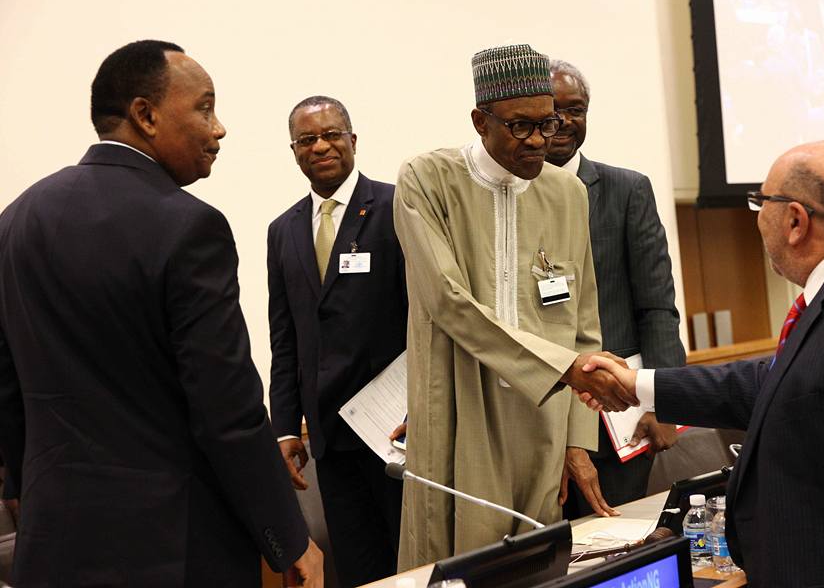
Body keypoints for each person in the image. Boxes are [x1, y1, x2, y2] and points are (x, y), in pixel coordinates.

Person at [0, 40, 323, 587]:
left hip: (52, 543)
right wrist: (287, 537)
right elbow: (227, 409)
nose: (218, 128)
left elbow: (8, 386)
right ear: (145, 115)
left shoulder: (16, 220)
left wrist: (21, 496)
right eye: (204, 107)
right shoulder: (188, 226)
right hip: (171, 548)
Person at [582, 140, 824, 585]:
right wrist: (637, 385)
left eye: (760, 201)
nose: (757, 214)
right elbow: (773, 382)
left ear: (796, 220)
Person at [392, 44, 636, 569]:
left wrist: (576, 439)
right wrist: (565, 369)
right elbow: (448, 301)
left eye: (547, 125)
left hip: (543, 416)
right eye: (519, 127)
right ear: (481, 121)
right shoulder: (426, 179)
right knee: (457, 565)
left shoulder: (566, 192)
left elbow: (583, 323)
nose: (538, 143)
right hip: (461, 406)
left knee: (538, 566)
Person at [269, 95, 406, 586]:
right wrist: (285, 428)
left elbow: (425, 321)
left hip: (396, 431)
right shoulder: (282, 230)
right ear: (294, 150)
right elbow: (285, 338)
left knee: (409, 565)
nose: (321, 146)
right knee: (356, 570)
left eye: (331, 134)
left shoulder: (397, 206)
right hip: (329, 437)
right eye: (307, 139)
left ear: (353, 140)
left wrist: (421, 407)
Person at [545, 59, 685, 519]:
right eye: (552, 110)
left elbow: (657, 306)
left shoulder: (627, 191)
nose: (564, 121)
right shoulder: (506, 199)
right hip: (536, 422)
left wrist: (668, 401)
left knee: (620, 551)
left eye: (576, 109)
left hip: (617, 421)